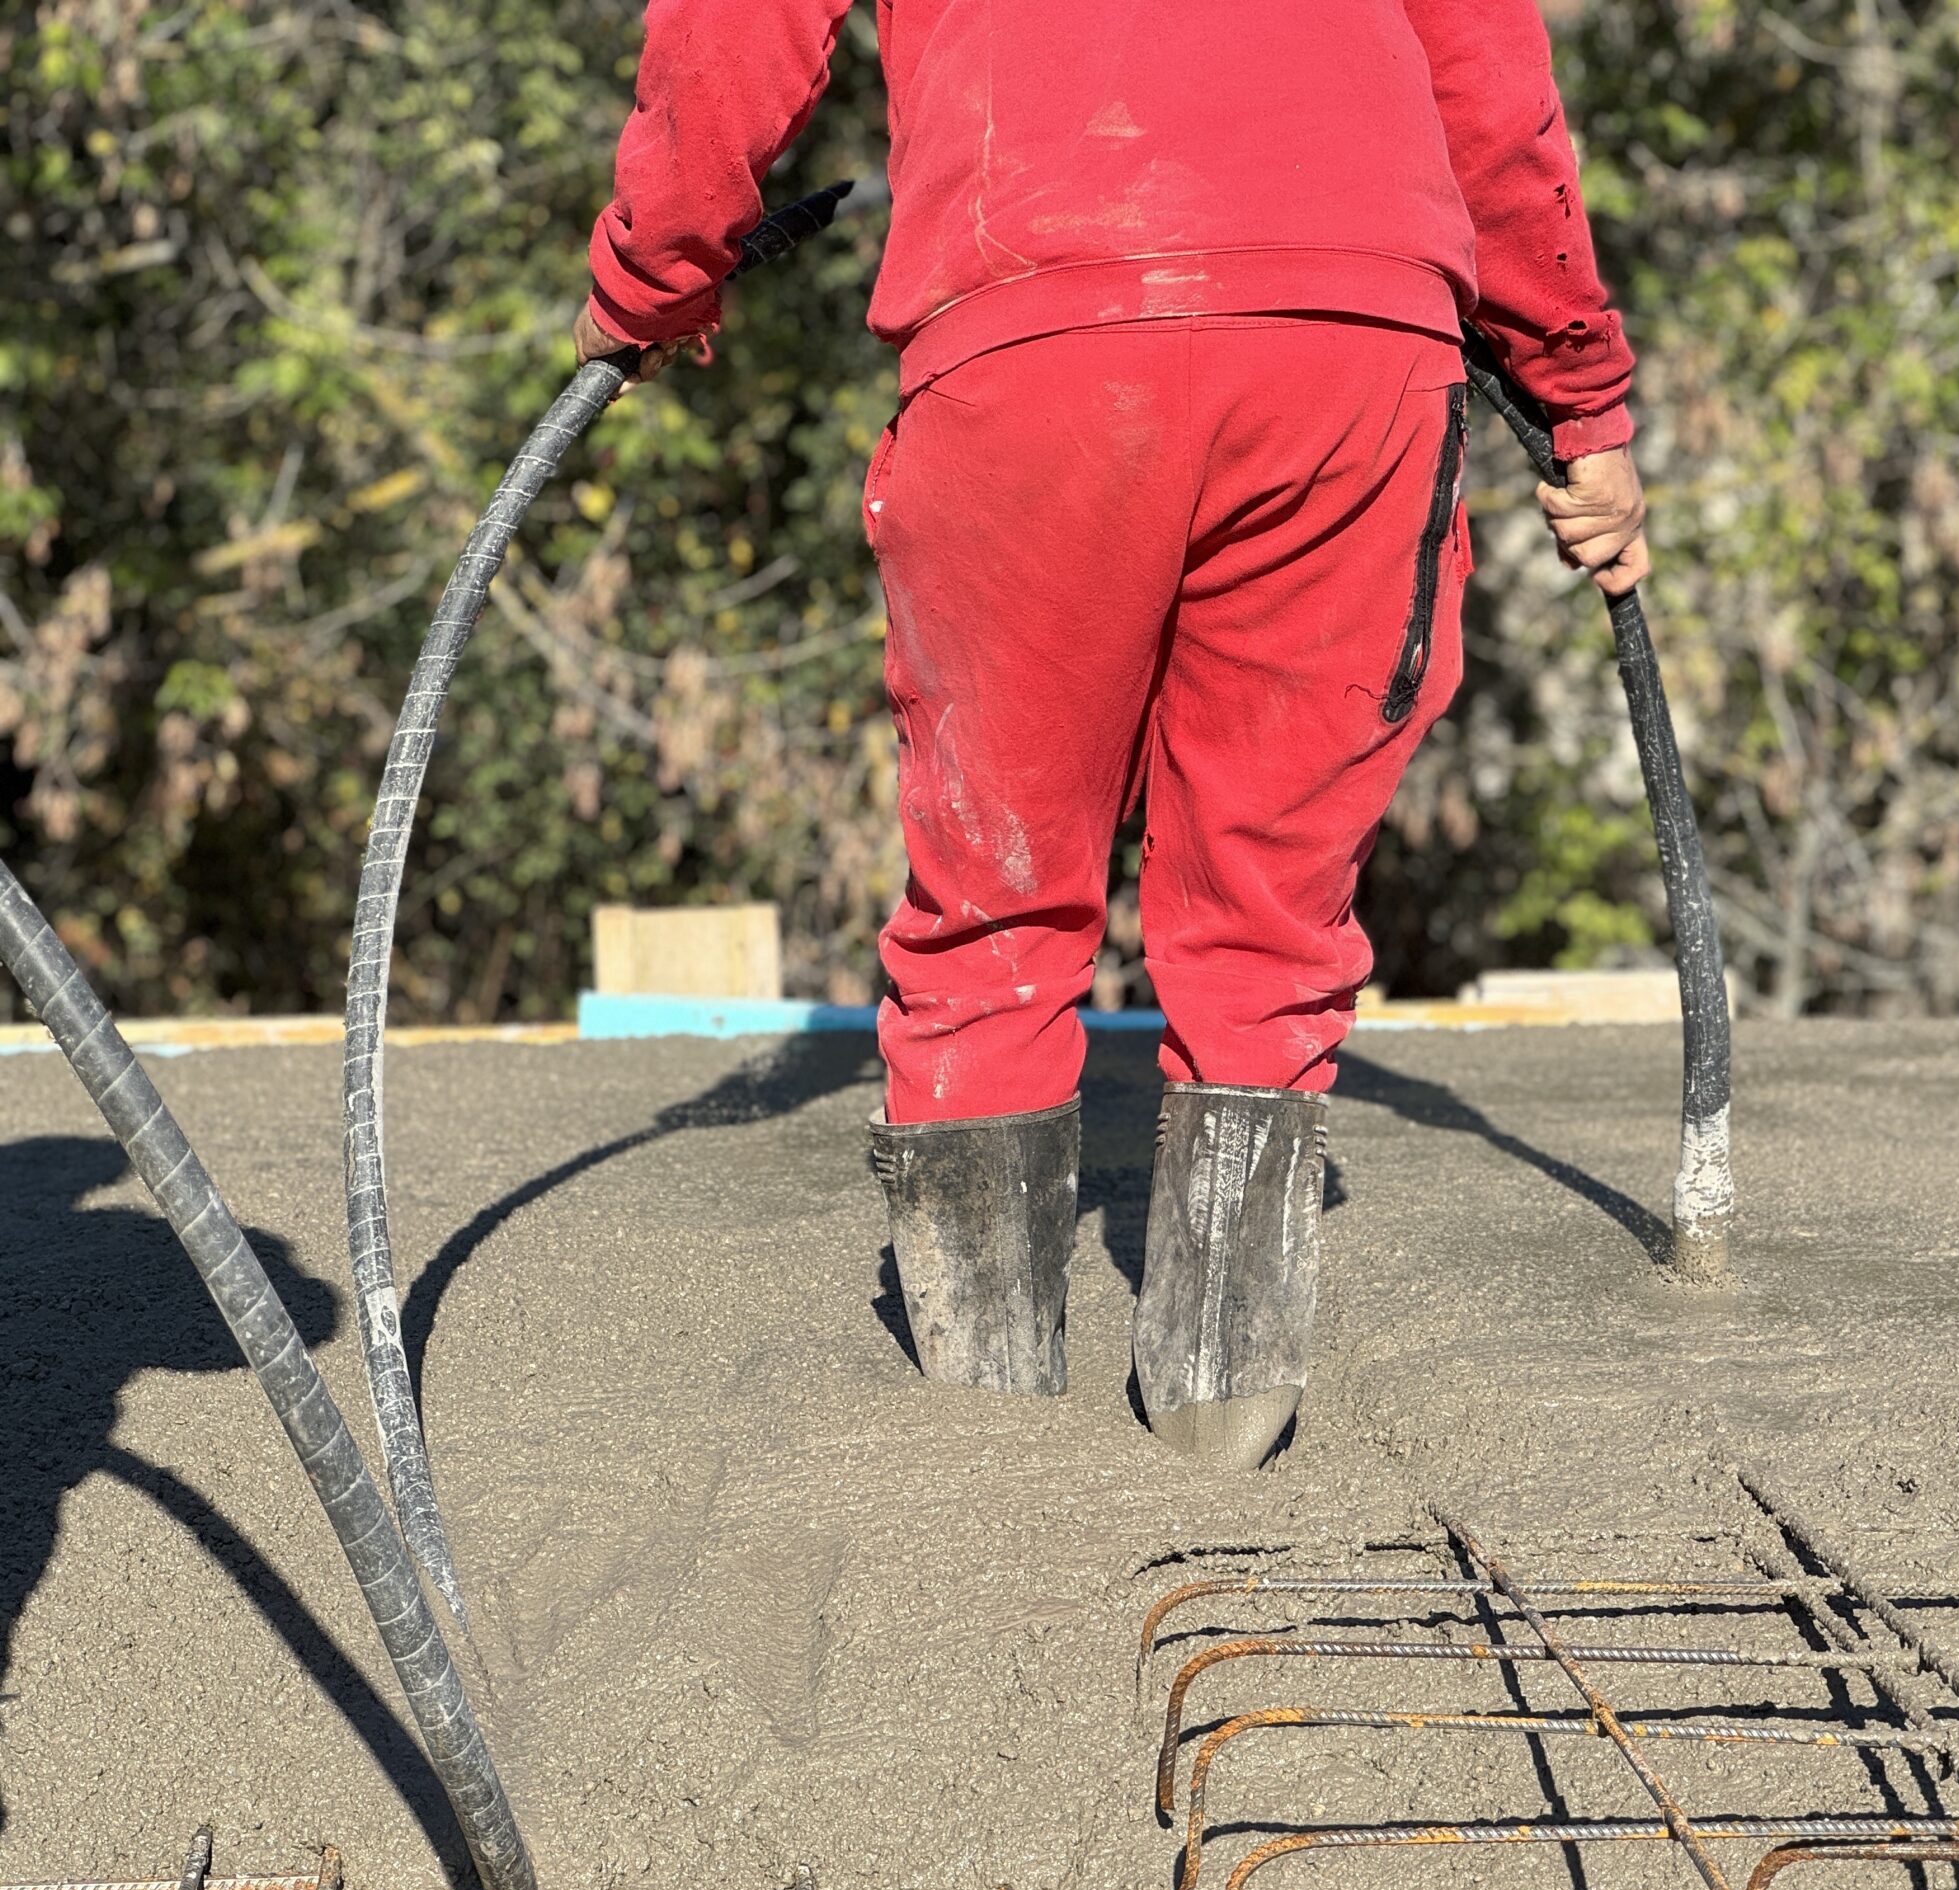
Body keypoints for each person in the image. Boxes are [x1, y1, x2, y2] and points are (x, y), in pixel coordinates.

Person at [577, 0, 1649, 1467]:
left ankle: (990, 1452)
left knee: (995, 897)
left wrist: (655, 276)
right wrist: (1577, 391)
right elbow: (1488, 77)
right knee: (1268, 918)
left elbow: (734, 28)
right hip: (1352, 353)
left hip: (1041, 332)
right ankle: (1227, 1424)